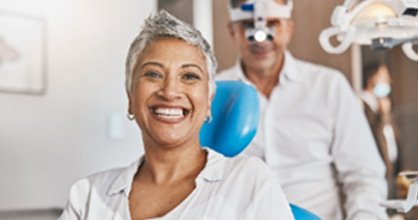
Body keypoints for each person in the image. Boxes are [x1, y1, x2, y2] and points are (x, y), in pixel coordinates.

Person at [58, 10, 294, 220]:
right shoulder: (88, 195)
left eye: (189, 76)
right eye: (153, 74)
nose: (170, 92)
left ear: (209, 102)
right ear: (130, 97)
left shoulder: (248, 181)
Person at [217, 0, 388, 219]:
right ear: (232, 32)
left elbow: (364, 175)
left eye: (273, 24)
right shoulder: (213, 93)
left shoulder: (328, 86)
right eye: (248, 25)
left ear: (289, 29)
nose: (261, 37)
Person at [360, 63, 400, 198]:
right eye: (384, 77)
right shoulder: (361, 104)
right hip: (373, 172)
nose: (389, 81)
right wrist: (383, 115)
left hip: (389, 170)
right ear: (372, 78)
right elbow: (371, 135)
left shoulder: (382, 104)